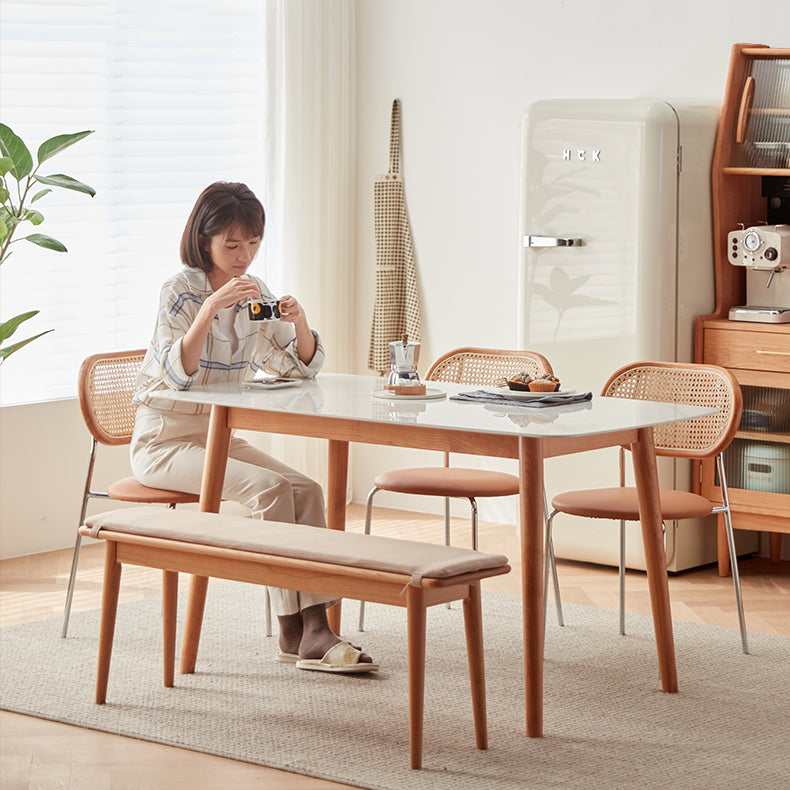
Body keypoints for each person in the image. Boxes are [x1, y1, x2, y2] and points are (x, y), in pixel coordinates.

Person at [130, 181, 376, 673]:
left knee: (305, 488)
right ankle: (298, 628)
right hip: (164, 443)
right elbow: (178, 374)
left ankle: (311, 627)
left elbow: (299, 368)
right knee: (269, 489)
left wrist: (299, 322)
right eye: (232, 245)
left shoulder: (254, 294)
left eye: (254, 243)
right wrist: (209, 310)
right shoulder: (179, 293)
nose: (245, 255)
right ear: (205, 241)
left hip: (217, 436)